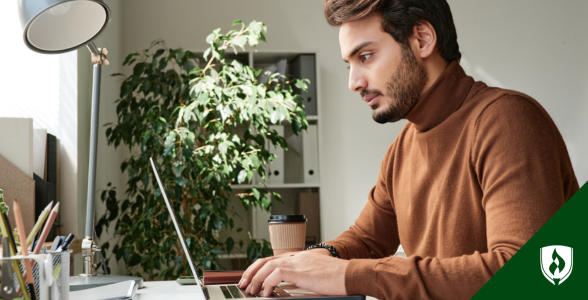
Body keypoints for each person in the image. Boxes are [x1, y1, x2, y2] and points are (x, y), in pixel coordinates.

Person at [238, 0, 579, 299]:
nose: (353, 82)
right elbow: (367, 239)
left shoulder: (507, 121)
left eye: (366, 56)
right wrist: (316, 257)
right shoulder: (404, 146)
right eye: (349, 64)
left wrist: (349, 276)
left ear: (422, 39)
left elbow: (527, 273)